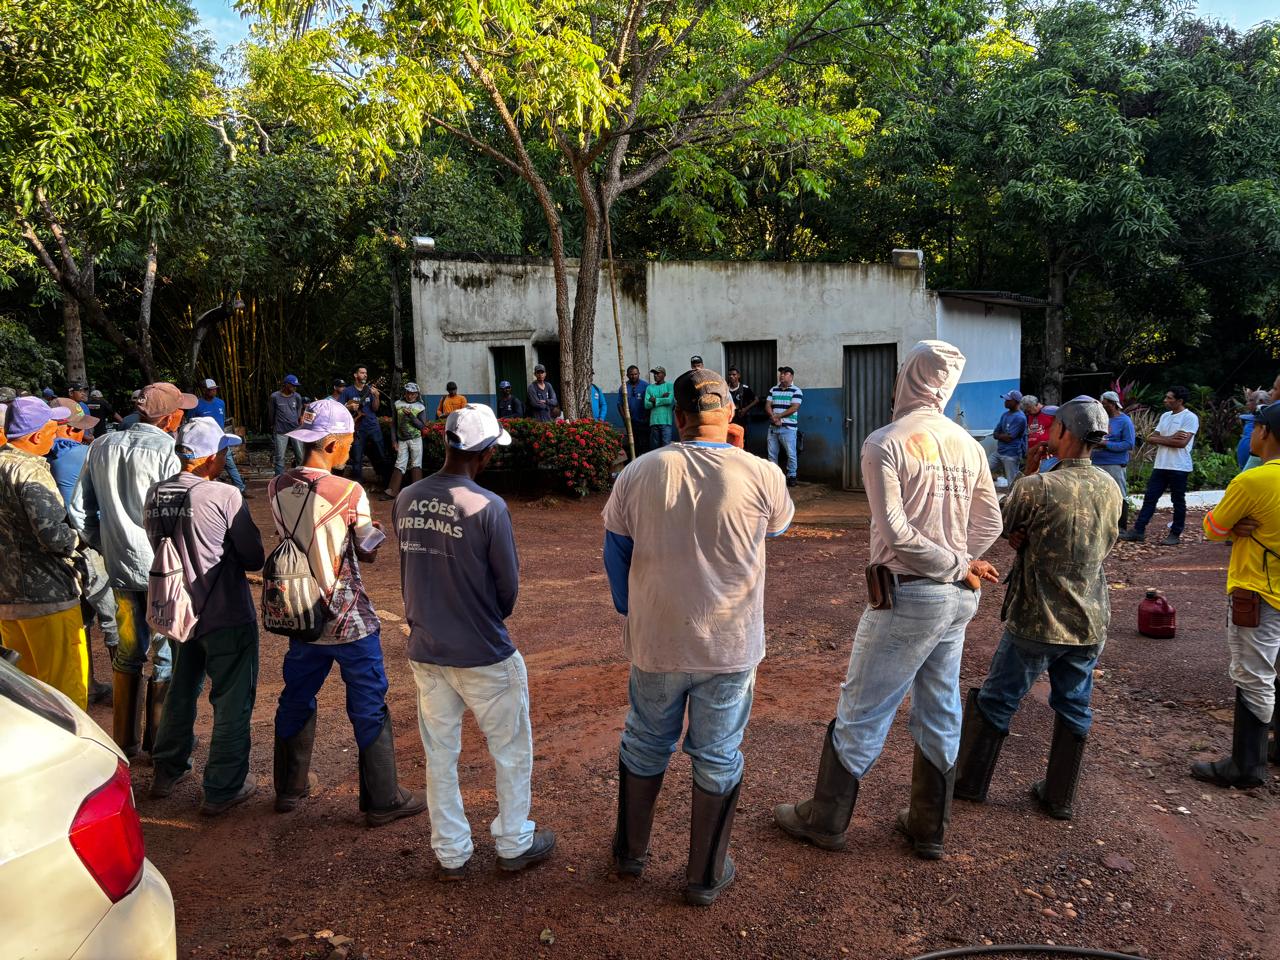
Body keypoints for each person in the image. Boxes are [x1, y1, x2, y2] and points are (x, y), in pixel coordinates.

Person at [774, 341, 1002, 861]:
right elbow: (991, 522)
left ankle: (825, 818)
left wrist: (949, 563)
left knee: (863, 707)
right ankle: (929, 825)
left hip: (909, 596)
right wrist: (962, 561)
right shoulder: (968, 444)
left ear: (907, 379)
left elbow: (895, 533)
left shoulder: (884, 442)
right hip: (957, 600)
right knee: (940, 704)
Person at [603, 368, 793, 905]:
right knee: (718, 753)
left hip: (658, 640)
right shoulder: (762, 475)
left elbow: (615, 551)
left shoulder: (638, 472)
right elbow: (775, 528)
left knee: (644, 741)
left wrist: (631, 609)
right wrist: (740, 452)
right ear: (730, 414)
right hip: (730, 646)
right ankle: (705, 876)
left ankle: (630, 856)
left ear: (677, 417)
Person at [394, 403, 556, 879]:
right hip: (483, 651)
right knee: (509, 750)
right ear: (485, 454)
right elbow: (507, 591)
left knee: (440, 755)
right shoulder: (489, 506)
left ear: (444, 442)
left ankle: (451, 853)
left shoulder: (406, 497)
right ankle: (513, 842)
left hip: (427, 650)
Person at [953, 398, 1122, 821]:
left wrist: (1029, 470)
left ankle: (970, 783)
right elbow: (1105, 543)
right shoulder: (1110, 487)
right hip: (1090, 619)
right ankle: (1059, 797)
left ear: (1063, 432)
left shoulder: (1038, 486)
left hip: (1037, 618)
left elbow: (999, 523)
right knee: (1075, 704)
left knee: (997, 699)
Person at [268, 397, 426, 827]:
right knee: (369, 701)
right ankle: (383, 797)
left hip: (300, 614)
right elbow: (364, 548)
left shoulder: (277, 486)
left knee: (296, 696)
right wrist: (374, 536)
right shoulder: (349, 491)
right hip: (346, 615)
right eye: (350, 442)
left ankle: (288, 788)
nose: (352, 449)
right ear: (334, 443)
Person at [144, 418, 265, 815]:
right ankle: (222, 787)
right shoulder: (223, 495)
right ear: (211, 457)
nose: (227, 456)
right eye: (224, 451)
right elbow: (253, 557)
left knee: (182, 687)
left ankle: (167, 768)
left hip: (177, 611)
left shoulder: (155, 492)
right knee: (231, 699)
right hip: (225, 612)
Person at [76, 382, 195, 755]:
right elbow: (175, 511)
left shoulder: (100, 445)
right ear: (171, 417)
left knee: (128, 652)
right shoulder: (166, 451)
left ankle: (124, 743)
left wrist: (107, 543)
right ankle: (158, 745)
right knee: (163, 652)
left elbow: (81, 510)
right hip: (161, 570)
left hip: (121, 568)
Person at [1192, 402, 1280, 789]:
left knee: (1253, 675)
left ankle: (1246, 765)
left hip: (1258, 591)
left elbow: (1213, 527)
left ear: (1265, 432)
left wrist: (1236, 527)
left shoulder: (1253, 482)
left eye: (1254, 427)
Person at [0, 398, 89, 708]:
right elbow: (54, 537)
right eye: (53, 430)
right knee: (66, 695)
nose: (57, 436)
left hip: (7, 600)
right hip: (48, 598)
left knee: (27, 697)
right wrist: (81, 538)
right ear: (37, 436)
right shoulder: (32, 471)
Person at [46, 400, 114, 705]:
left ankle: (87, 684)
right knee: (114, 617)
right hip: (89, 547)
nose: (84, 435)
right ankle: (125, 692)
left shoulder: (45, 457)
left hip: (59, 554)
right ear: (67, 429)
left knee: (82, 621)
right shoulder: (81, 455)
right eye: (79, 429)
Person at [1119, 386, 1199, 546]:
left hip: (1179, 467)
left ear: (1180, 401)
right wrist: (1171, 438)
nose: (1165, 400)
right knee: (1150, 498)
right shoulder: (1165, 416)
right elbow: (1151, 437)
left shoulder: (1190, 417)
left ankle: (1175, 533)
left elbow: (1182, 443)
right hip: (1161, 464)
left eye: (1169, 398)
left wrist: (1163, 438)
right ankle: (1138, 530)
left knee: (1178, 501)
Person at [191, 379, 247, 495]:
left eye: (215, 389)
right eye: (211, 390)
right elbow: (190, 422)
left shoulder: (221, 403)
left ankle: (241, 488)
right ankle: (209, 490)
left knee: (230, 464)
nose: (214, 391)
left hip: (220, 439)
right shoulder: (197, 405)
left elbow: (222, 420)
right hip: (204, 441)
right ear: (204, 390)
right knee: (207, 465)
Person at [1092, 390, 1135, 531]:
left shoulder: (1124, 421)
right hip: (1097, 461)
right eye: (1102, 404)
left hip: (1115, 462)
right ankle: (1102, 526)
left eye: (1105, 404)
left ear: (1114, 404)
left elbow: (1129, 444)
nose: (1103, 407)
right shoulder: (1100, 418)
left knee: (1119, 493)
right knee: (1098, 495)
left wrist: (1106, 444)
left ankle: (1121, 527)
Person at [341, 366, 390, 488]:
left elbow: (375, 408)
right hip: (357, 428)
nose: (365, 375)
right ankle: (358, 485)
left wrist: (377, 396)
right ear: (355, 375)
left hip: (373, 426)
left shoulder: (370, 390)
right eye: (362, 373)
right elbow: (339, 408)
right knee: (357, 457)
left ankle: (385, 482)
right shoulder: (348, 391)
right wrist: (349, 407)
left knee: (380, 454)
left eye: (366, 373)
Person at [386, 382, 428, 500]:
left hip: (415, 439)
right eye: (408, 393)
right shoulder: (398, 404)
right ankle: (392, 491)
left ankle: (417, 493)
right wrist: (394, 441)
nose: (410, 396)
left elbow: (422, 426)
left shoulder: (420, 407)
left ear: (417, 394)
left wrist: (411, 416)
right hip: (402, 440)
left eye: (413, 394)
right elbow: (394, 424)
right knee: (399, 463)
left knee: (416, 464)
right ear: (405, 393)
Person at [767, 366, 803, 487]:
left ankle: (792, 476)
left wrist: (779, 417)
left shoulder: (796, 391)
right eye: (781, 373)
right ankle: (774, 476)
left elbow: (794, 407)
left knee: (791, 453)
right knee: (772, 453)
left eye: (785, 373)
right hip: (773, 427)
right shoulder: (773, 389)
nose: (781, 375)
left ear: (791, 376)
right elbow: (767, 405)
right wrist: (773, 416)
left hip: (788, 428)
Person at [269, 375, 306, 477]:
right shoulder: (275, 397)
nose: (294, 387)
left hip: (295, 430)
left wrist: (299, 418)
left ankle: (301, 477)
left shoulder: (297, 396)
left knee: (300, 455)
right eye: (292, 385)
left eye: (296, 386)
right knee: (280, 457)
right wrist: (272, 425)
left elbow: (299, 410)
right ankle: (278, 479)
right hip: (280, 431)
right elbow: (271, 413)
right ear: (286, 384)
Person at [990, 390, 1027, 486]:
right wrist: (1001, 436)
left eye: (1008, 400)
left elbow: (1009, 438)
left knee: (1013, 483)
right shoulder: (1005, 415)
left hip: (1011, 454)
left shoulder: (1020, 418)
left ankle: (1015, 500)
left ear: (1015, 402)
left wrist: (1000, 435)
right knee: (983, 468)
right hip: (999, 452)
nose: (1005, 402)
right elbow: (995, 433)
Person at [617, 366, 648, 454]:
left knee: (645, 444)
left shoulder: (645, 386)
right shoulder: (623, 387)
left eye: (635, 374)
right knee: (634, 444)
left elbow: (650, 403)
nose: (633, 376)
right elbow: (619, 405)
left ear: (639, 374)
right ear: (627, 375)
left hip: (643, 421)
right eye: (631, 374)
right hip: (631, 422)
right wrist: (625, 419)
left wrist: (647, 418)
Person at [1237, 389, 1270, 470]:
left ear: (1261, 402)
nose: (1247, 403)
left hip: (1255, 460)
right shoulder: (1251, 416)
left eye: (1251, 400)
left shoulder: (1265, 421)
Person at [643, 366, 675, 449]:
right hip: (654, 421)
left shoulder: (669, 386)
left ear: (664, 374)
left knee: (666, 446)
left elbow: (669, 401)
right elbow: (646, 405)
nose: (655, 375)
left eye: (658, 373)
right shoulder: (649, 388)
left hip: (666, 421)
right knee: (654, 448)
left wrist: (655, 400)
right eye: (654, 374)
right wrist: (662, 398)